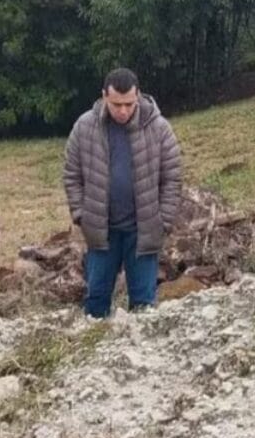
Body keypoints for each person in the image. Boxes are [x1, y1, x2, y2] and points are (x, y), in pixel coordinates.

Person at [63, 68, 182, 318]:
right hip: (101, 230)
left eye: (129, 104)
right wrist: (81, 215)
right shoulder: (84, 127)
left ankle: (141, 343)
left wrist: (163, 221)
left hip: (143, 230)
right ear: (104, 96)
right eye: (117, 104)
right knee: (95, 300)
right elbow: (72, 175)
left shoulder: (158, 128)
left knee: (143, 305)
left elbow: (172, 178)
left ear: (138, 96)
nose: (123, 111)